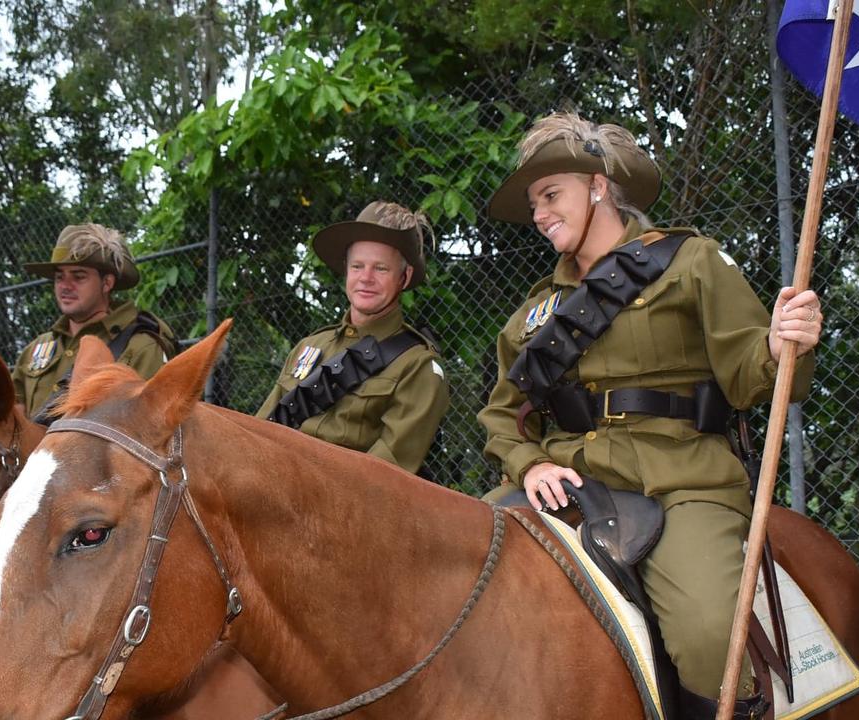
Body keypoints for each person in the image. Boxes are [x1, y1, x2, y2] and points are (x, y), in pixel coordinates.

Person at [477, 112, 822, 718]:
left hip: (682, 477)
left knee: (710, 632)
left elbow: (749, 371)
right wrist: (527, 464)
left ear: (598, 187)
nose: (539, 214)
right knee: (464, 589)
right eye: (534, 202)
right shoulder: (534, 315)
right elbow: (501, 416)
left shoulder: (690, 261)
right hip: (568, 479)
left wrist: (780, 342)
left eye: (551, 195)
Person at [256, 201, 450, 475]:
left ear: (404, 278)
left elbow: (381, 474)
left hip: (345, 505)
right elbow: (259, 428)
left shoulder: (418, 365)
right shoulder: (310, 347)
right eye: (357, 266)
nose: (366, 278)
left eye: (381, 268)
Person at [0, 223, 177, 423]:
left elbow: (149, 427)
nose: (65, 285)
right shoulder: (38, 349)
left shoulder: (140, 345)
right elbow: (5, 421)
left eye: (79, 276)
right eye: (60, 277)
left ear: (107, 283)